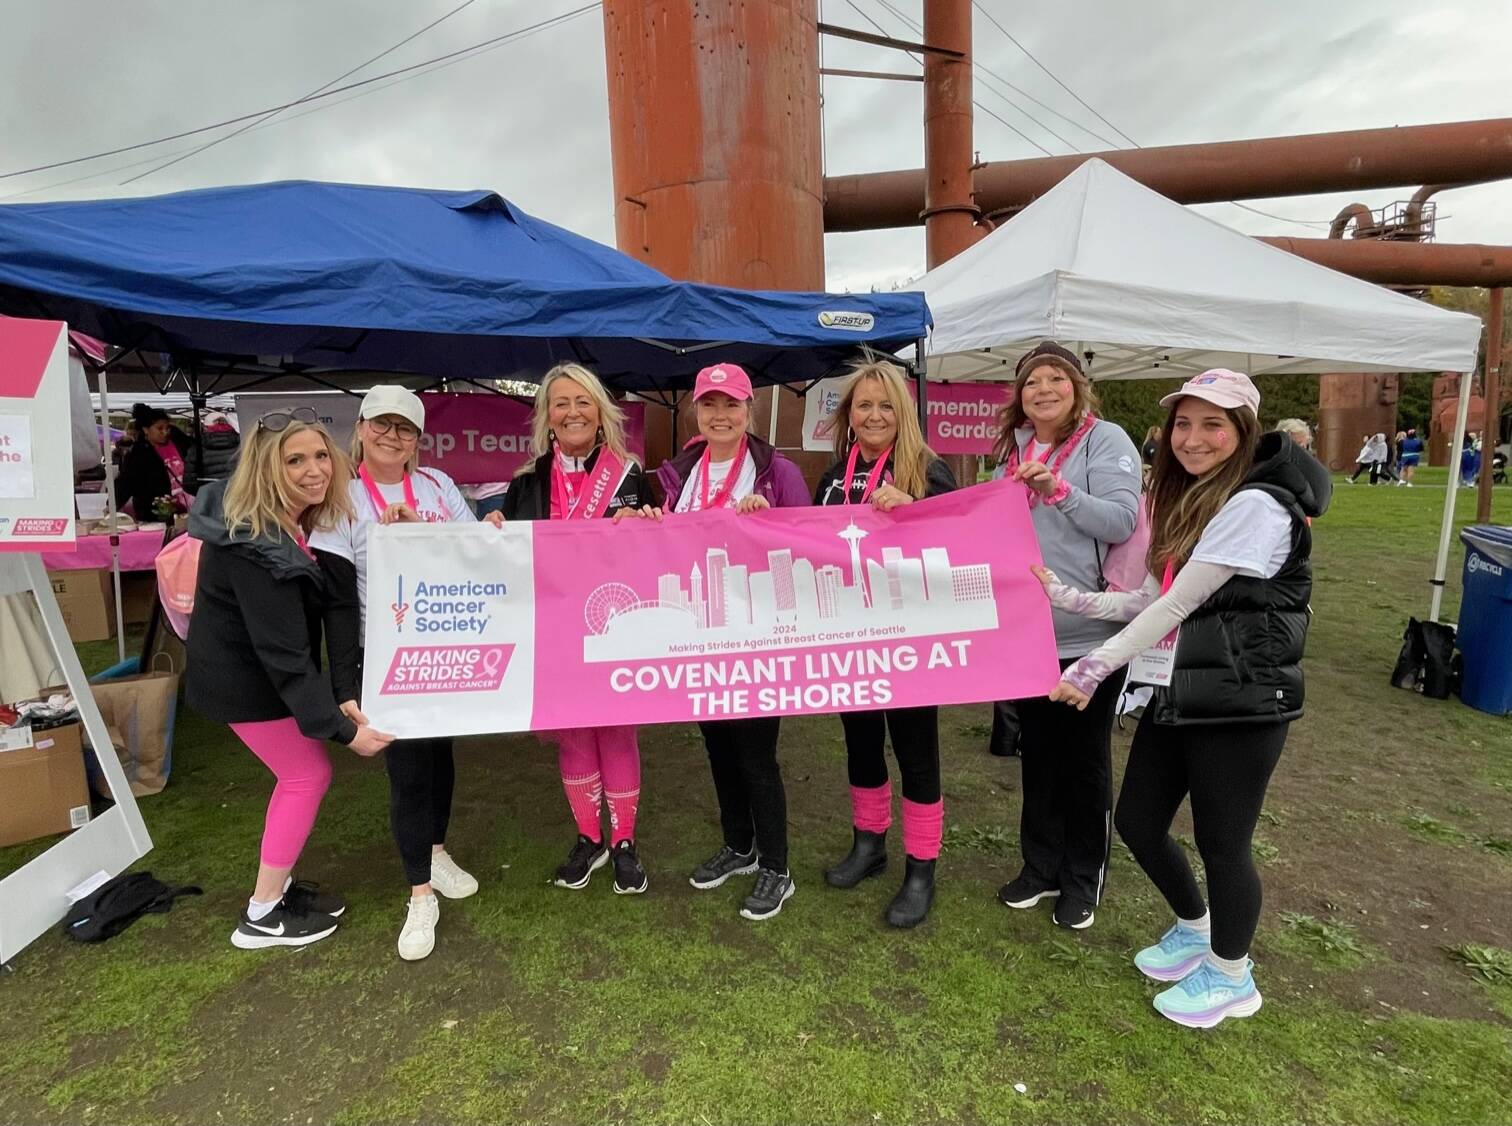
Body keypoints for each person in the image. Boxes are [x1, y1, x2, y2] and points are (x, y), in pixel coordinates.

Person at [1036, 368, 1330, 1028]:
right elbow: (1149, 597)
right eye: (1184, 424)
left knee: (1223, 843)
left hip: (1244, 698)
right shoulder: (1192, 497)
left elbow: (1175, 605)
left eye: (1213, 424)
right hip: (1181, 687)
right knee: (1138, 821)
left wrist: (1091, 668)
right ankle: (1196, 928)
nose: (1193, 438)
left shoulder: (1257, 505)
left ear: (1244, 432)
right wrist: (1068, 597)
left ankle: (1231, 975)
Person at [185, 405, 393, 950]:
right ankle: (260, 913)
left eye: (321, 455)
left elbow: (335, 607)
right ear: (265, 468)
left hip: (259, 674)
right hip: (242, 683)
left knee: (303, 774)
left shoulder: (296, 520)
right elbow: (285, 657)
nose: (314, 470)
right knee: (307, 775)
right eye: (294, 460)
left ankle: (277, 892)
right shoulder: (253, 544)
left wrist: (343, 692)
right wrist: (346, 732)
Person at [310, 386, 498, 962]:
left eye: (406, 428)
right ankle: (420, 894)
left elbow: (475, 555)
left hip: (445, 651)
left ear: (419, 439)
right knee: (409, 770)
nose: (393, 437)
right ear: (362, 428)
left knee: (440, 757)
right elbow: (338, 600)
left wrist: (454, 532)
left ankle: (435, 852)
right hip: (385, 657)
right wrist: (344, 683)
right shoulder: (342, 497)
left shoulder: (439, 486)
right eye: (382, 424)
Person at [642, 362, 809, 920]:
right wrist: (648, 518)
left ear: (748, 410)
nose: (720, 415)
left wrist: (771, 521)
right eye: (710, 404)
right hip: (697, 634)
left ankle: (777, 867)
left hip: (757, 635)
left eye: (731, 404)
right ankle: (740, 845)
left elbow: (811, 544)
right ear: (696, 410)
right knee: (717, 748)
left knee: (756, 755)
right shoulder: (680, 471)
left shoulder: (776, 471)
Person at [992, 341, 1141, 932]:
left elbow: (1122, 520)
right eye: (1032, 382)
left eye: (1056, 378)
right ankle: (1040, 867)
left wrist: (1059, 491)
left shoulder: (1106, 440)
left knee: (1083, 761)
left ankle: (1083, 878)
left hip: (1090, 634)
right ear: (1020, 396)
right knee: (1038, 755)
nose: (1044, 389)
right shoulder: (1015, 448)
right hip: (1028, 633)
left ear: (1078, 388)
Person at [501, 363, 656, 896]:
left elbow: (658, 552)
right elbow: (508, 558)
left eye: (583, 401)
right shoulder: (525, 482)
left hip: (615, 624)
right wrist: (495, 531)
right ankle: (590, 838)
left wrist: (647, 526)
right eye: (561, 403)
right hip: (553, 630)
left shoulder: (631, 474)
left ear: (600, 411)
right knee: (573, 732)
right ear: (547, 416)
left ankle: (624, 841)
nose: (573, 412)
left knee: (616, 730)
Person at [812, 357, 957, 928]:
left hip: (910, 640)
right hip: (848, 637)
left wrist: (915, 513)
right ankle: (869, 844)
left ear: (904, 413)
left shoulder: (928, 470)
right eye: (864, 405)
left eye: (886, 406)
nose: (874, 416)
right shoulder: (832, 477)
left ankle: (921, 869)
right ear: (849, 414)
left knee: (917, 753)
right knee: (862, 744)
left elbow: (956, 544)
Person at [116, 402, 197, 519]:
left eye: (167, 428)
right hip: (157, 512)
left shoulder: (179, 442)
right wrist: (113, 504)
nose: (165, 432)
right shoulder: (138, 454)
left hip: (188, 508)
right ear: (146, 430)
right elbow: (126, 482)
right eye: (159, 428)